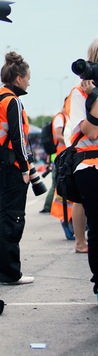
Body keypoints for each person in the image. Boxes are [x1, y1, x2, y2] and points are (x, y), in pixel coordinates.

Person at [0, 51, 34, 285]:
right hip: (12, 166)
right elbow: (18, 138)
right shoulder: (12, 101)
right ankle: (11, 273)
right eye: (27, 78)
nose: (29, 82)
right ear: (18, 78)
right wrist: (25, 168)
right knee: (12, 218)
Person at [64, 37, 98, 296]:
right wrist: (95, 96)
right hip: (89, 167)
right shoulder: (80, 92)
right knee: (96, 227)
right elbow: (91, 131)